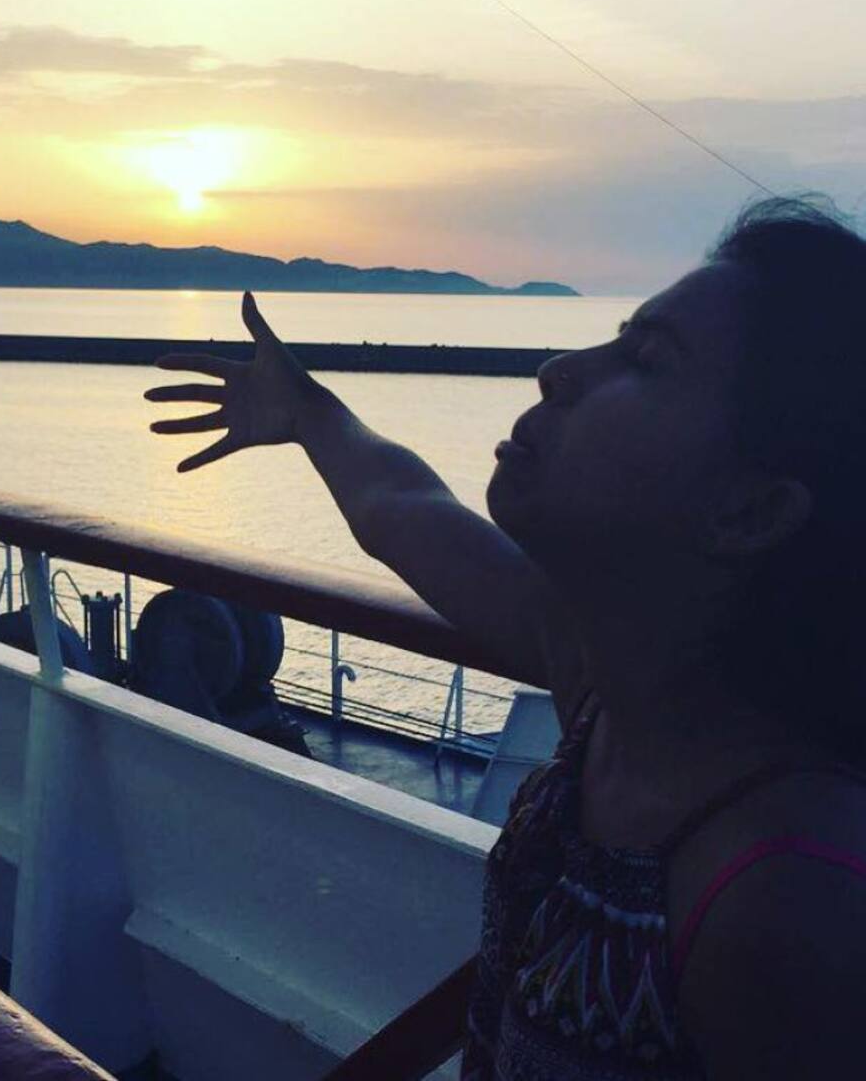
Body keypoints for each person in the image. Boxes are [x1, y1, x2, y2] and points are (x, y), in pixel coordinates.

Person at [144, 196, 866, 1079]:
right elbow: (404, 507)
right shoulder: (606, 687)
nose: (556, 368)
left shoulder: (789, 898)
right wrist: (307, 412)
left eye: (646, 360)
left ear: (750, 511)